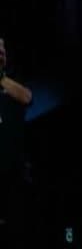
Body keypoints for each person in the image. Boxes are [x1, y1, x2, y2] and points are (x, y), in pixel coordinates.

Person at [0, 36, 33, 244]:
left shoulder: (13, 78)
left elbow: (27, 97)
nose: (0, 50)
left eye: (2, 46)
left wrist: (0, 78)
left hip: (13, 174)